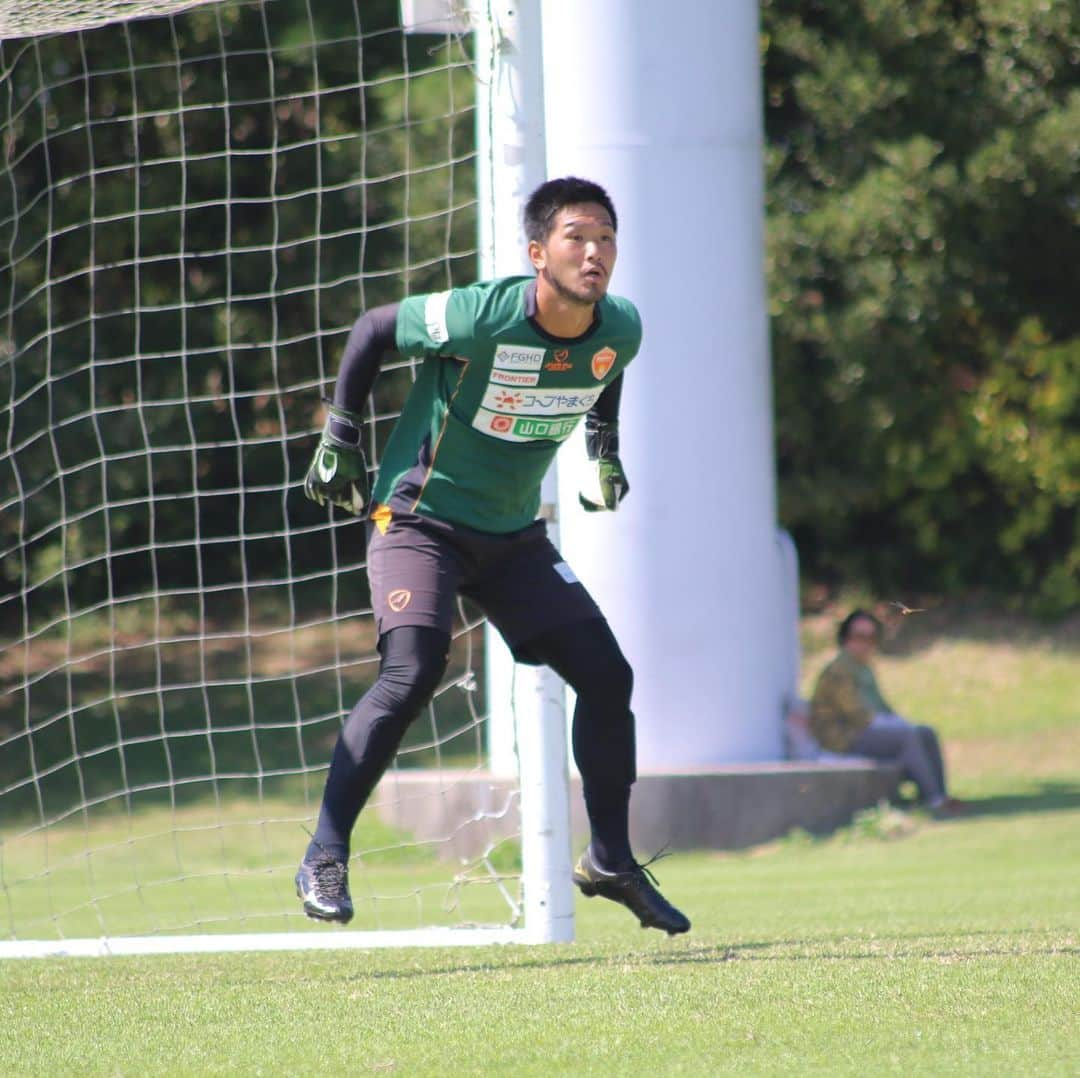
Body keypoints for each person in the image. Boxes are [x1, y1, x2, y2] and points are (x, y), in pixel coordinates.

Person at [294, 176, 690, 936]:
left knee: (608, 677)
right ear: (538, 252)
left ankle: (609, 858)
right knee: (413, 669)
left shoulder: (623, 327)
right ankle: (326, 851)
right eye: (577, 236)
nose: (595, 251)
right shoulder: (483, 314)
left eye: (606, 238)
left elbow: (603, 368)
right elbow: (375, 328)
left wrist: (603, 449)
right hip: (419, 522)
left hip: (513, 538)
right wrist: (340, 435)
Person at [809, 609, 966, 817]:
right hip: (844, 738)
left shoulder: (863, 668)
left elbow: (881, 706)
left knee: (925, 732)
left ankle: (942, 795)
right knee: (907, 737)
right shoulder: (839, 669)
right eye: (860, 637)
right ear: (846, 638)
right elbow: (855, 714)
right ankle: (933, 800)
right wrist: (895, 727)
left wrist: (898, 722)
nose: (866, 644)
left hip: (866, 730)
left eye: (872, 638)